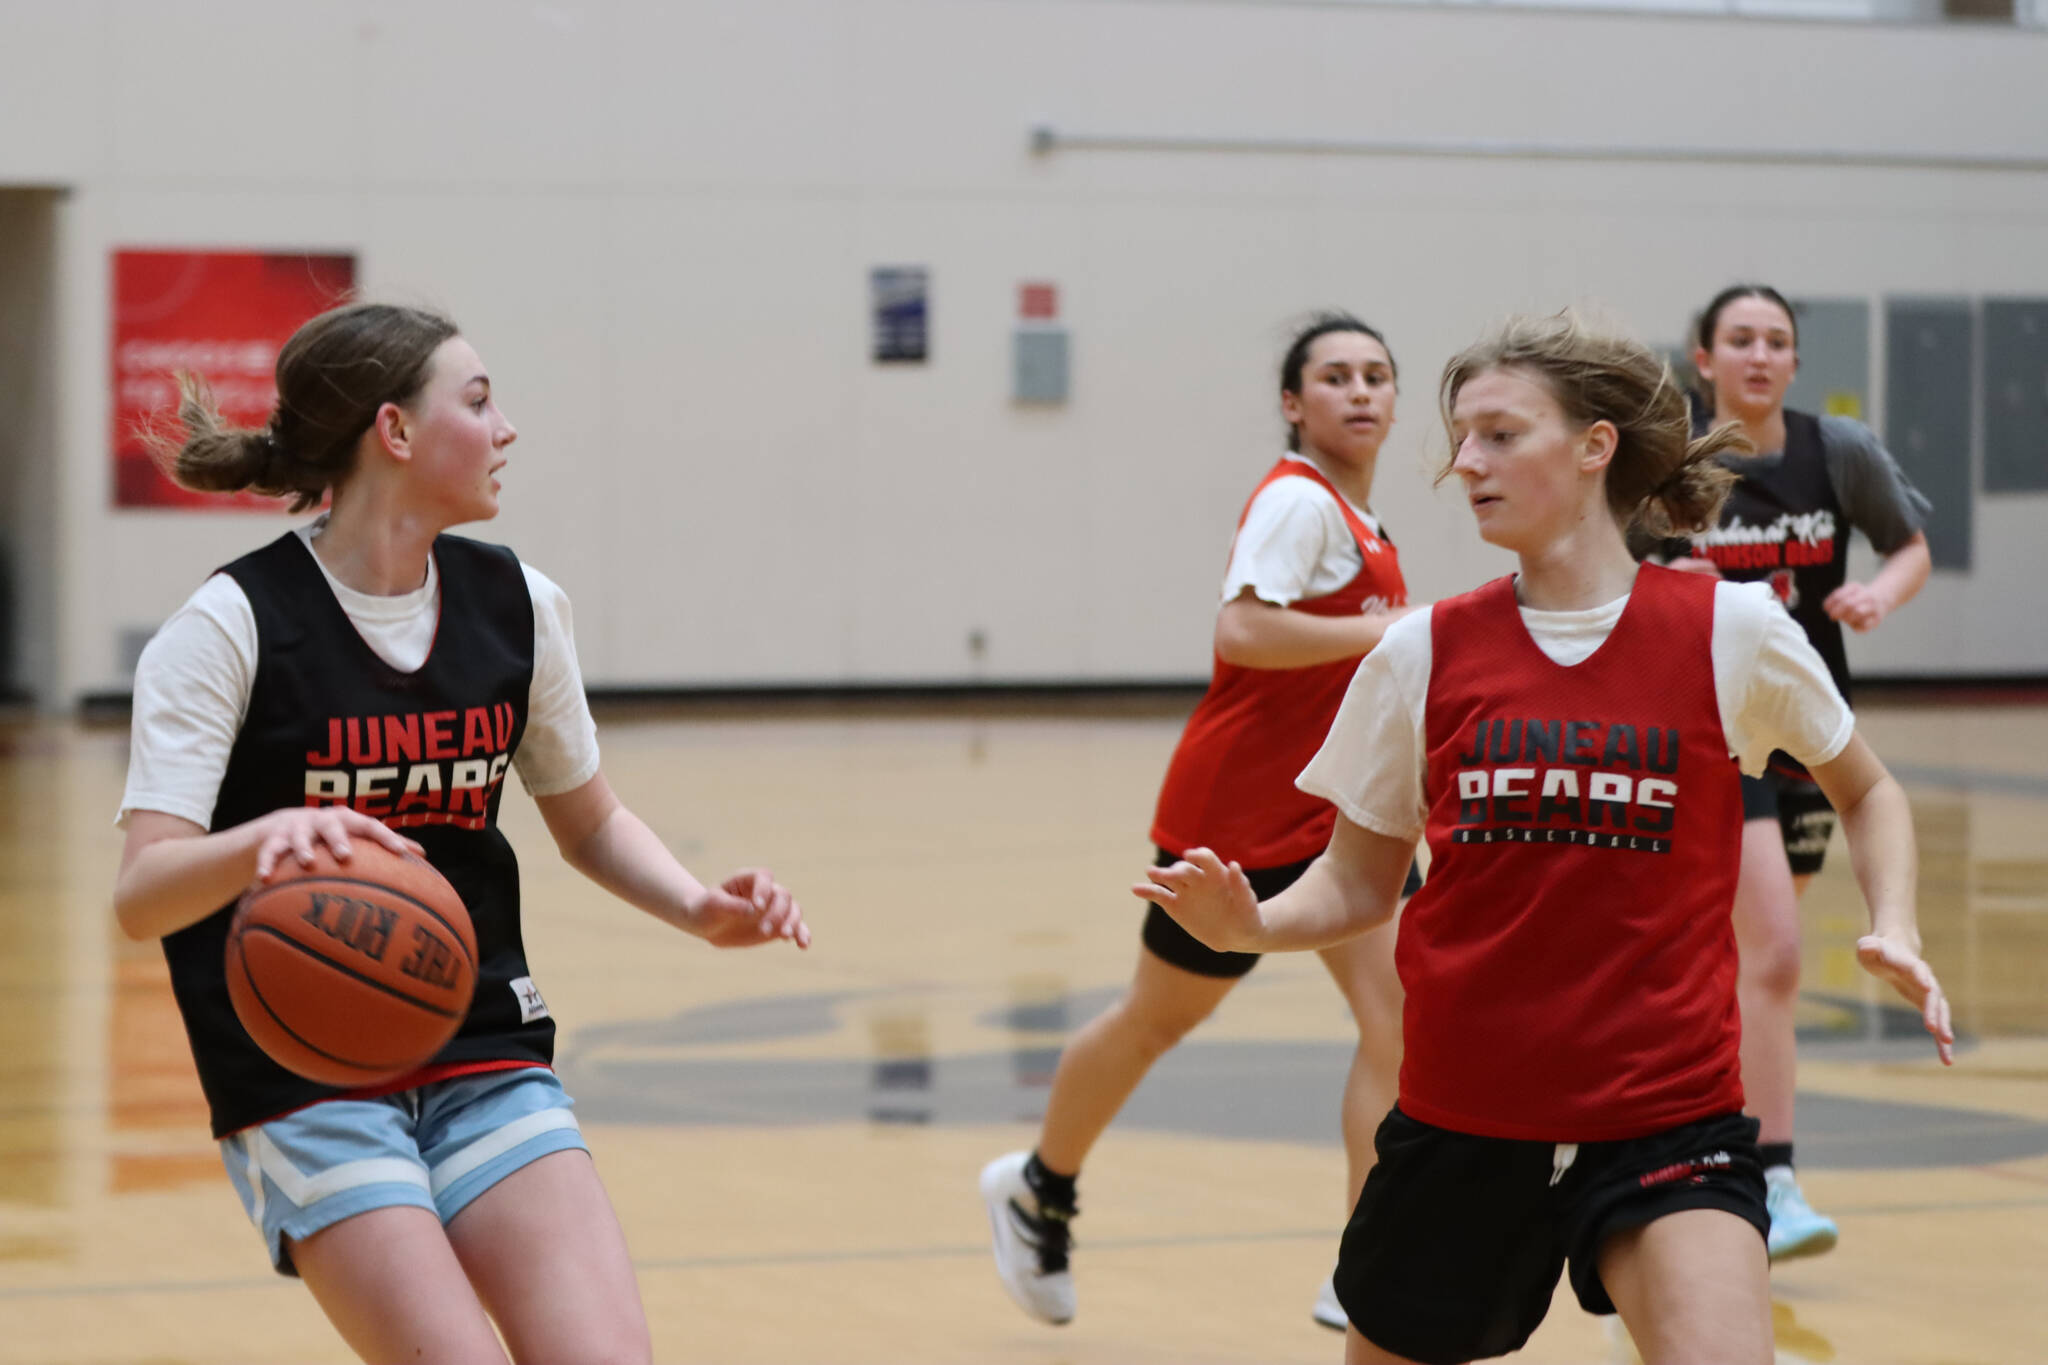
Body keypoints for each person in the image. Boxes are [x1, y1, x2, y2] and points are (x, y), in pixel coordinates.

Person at [1137, 311, 1951, 1365]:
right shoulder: (1419, 650)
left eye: (1498, 434)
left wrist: (1892, 921)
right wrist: (1250, 922)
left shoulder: (1728, 631)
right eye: (1459, 437)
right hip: (1459, 1120)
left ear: (1592, 447)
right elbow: (1356, 882)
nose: (1462, 461)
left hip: (1668, 1121)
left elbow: (1867, 789)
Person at [113, 302, 810, 1365]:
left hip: (480, 1041)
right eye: (477, 402)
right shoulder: (228, 629)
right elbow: (143, 893)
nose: (505, 429)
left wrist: (698, 909)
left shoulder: (519, 606)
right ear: (393, 432)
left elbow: (590, 821)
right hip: (303, 1079)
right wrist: (271, 839)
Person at [981, 313, 1421, 1332]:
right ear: (1291, 402)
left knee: (1404, 1024)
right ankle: (1037, 1189)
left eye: (1376, 375)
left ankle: (1365, 1257)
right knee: (1158, 1017)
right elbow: (1241, 629)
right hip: (1235, 818)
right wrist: (1392, 627)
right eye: (1334, 376)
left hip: (1338, 817)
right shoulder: (1295, 505)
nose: (1359, 391)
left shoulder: (1363, 520)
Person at [1644, 283, 1933, 1260]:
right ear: (1702, 357)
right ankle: (1767, 1173)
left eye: (1775, 341)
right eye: (1739, 339)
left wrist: (1876, 595)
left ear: (1794, 363)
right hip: (1711, 728)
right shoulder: (1667, 456)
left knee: (1733, 956)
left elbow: (1908, 546)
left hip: (1809, 726)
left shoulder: (1833, 453)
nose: (1758, 355)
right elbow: (1613, 568)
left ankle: (1666, 1130)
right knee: (1768, 948)